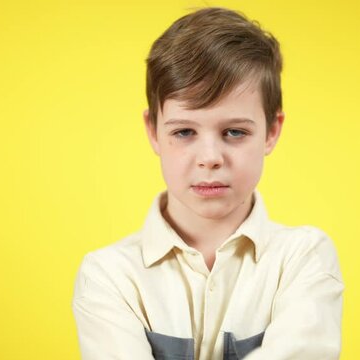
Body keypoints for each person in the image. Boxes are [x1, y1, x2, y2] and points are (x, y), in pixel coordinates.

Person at [72, 7, 344, 360]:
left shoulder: (304, 259)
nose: (210, 157)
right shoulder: (108, 275)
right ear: (153, 131)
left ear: (271, 132)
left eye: (235, 132)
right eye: (184, 132)